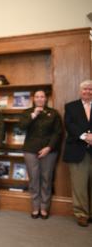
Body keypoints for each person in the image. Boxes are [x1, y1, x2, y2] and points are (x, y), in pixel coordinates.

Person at [18, 90, 62, 220]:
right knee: (34, 179)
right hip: (30, 150)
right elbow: (21, 127)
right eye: (37, 96)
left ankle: (44, 208)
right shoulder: (27, 112)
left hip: (49, 151)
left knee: (47, 179)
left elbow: (58, 132)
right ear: (33, 98)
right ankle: (35, 207)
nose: (39, 99)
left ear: (46, 99)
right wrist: (33, 115)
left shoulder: (53, 113)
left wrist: (48, 147)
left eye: (42, 96)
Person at [63, 80, 92, 227]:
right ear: (80, 91)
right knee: (79, 185)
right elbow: (69, 125)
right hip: (77, 150)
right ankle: (81, 214)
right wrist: (85, 136)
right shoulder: (70, 106)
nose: (87, 91)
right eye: (85, 89)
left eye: (90, 89)